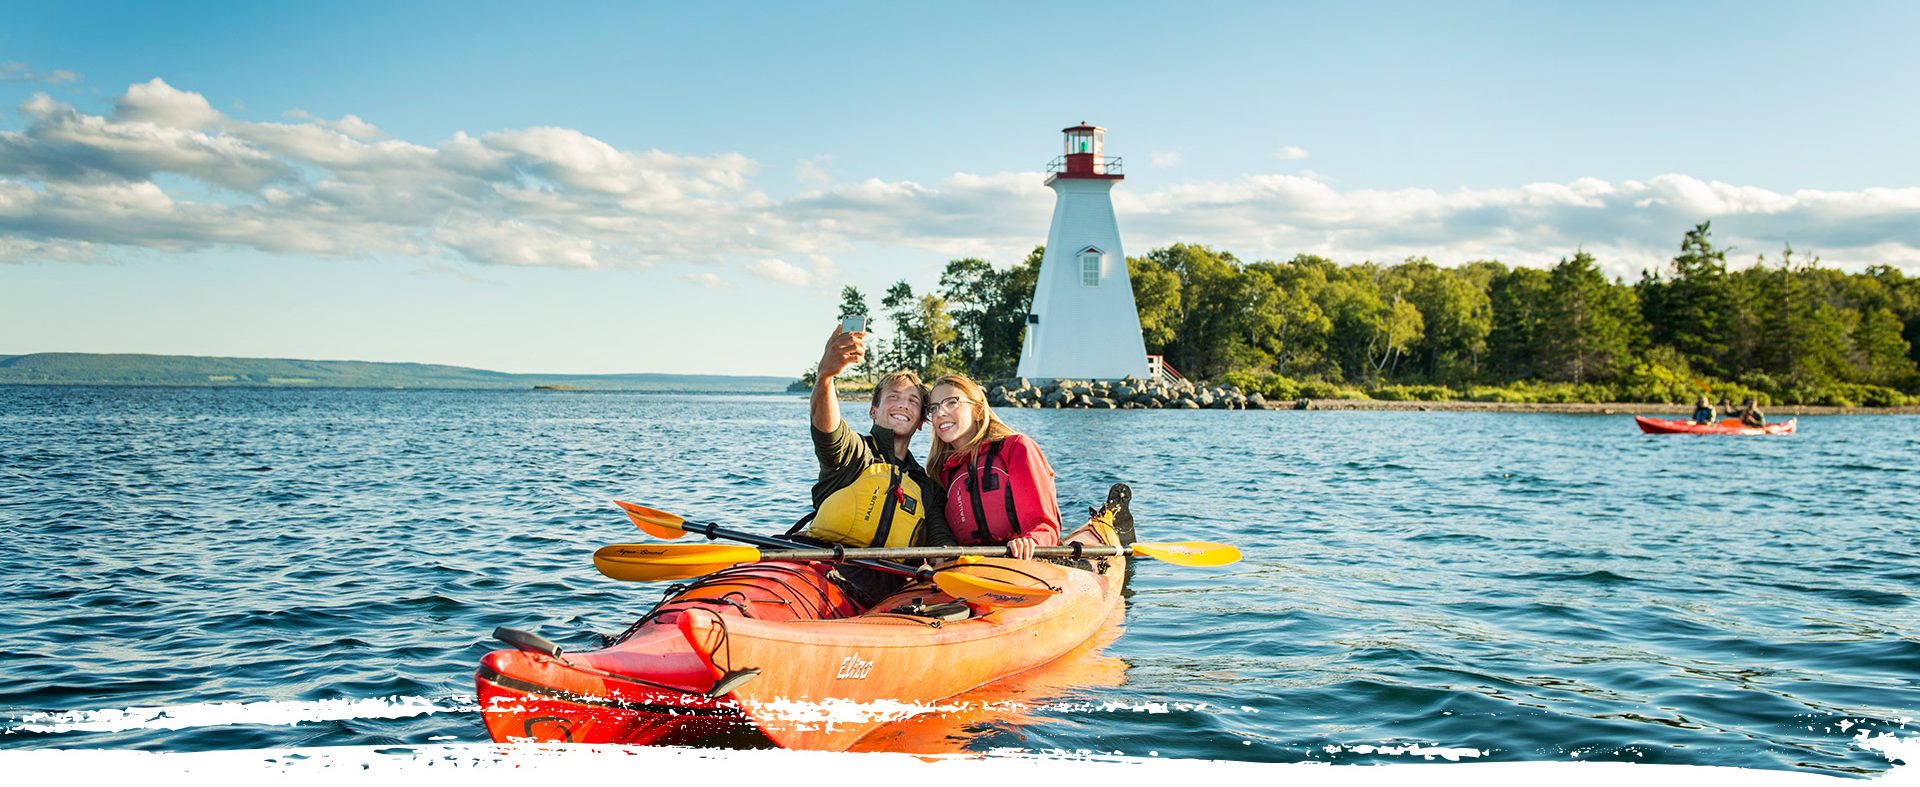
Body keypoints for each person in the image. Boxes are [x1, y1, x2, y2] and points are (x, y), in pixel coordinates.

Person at [801, 324, 955, 609]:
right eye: (893, 397)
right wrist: (825, 377)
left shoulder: (926, 486)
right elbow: (827, 429)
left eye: (912, 401)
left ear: (921, 421)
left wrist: (948, 561)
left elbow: (940, 542)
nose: (902, 405)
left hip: (882, 589)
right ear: (874, 411)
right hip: (822, 569)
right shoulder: (854, 454)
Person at [924, 374, 1061, 560]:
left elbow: (1044, 525)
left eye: (952, 402)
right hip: (970, 568)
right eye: (934, 408)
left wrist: (1031, 541)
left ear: (978, 411)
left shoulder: (1016, 448)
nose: (940, 413)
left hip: (1022, 562)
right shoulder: (940, 472)